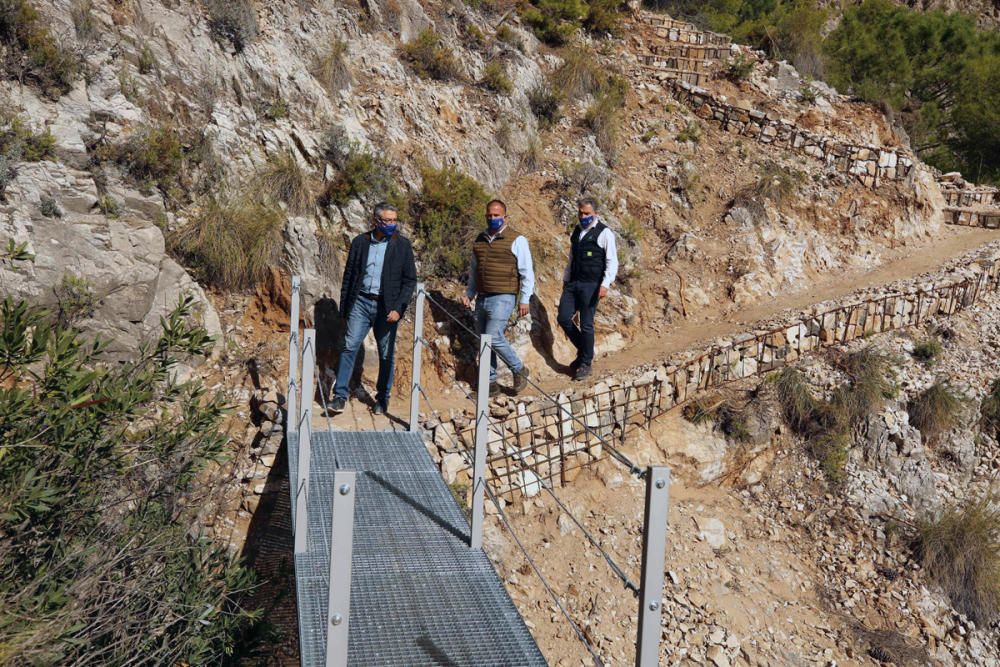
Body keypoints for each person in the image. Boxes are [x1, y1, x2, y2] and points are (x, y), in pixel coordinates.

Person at [330, 202, 417, 415]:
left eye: (394, 220)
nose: (391, 225)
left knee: (386, 353)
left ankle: (382, 399)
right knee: (350, 346)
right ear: (376, 220)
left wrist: (398, 309)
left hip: (387, 307)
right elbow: (349, 276)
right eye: (387, 220)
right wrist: (345, 309)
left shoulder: (402, 245)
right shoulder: (360, 242)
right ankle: (340, 396)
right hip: (360, 302)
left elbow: (409, 280)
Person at [461, 199, 534, 396]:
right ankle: (490, 385)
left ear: (505, 217)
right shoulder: (480, 239)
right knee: (484, 340)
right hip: (483, 297)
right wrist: (470, 293)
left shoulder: (517, 240)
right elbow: (474, 270)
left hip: (504, 296)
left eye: (496, 215)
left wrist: (525, 299)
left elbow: (527, 272)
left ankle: (519, 369)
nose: (493, 218)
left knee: (493, 336)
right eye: (490, 215)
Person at [557, 197, 619, 381]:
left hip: (592, 285)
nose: (583, 216)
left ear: (595, 214)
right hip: (573, 283)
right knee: (563, 317)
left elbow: (612, 260)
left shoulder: (604, 233)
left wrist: (605, 284)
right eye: (581, 213)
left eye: (587, 213)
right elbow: (571, 258)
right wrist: (566, 279)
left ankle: (585, 362)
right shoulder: (577, 232)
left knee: (586, 324)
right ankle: (585, 351)